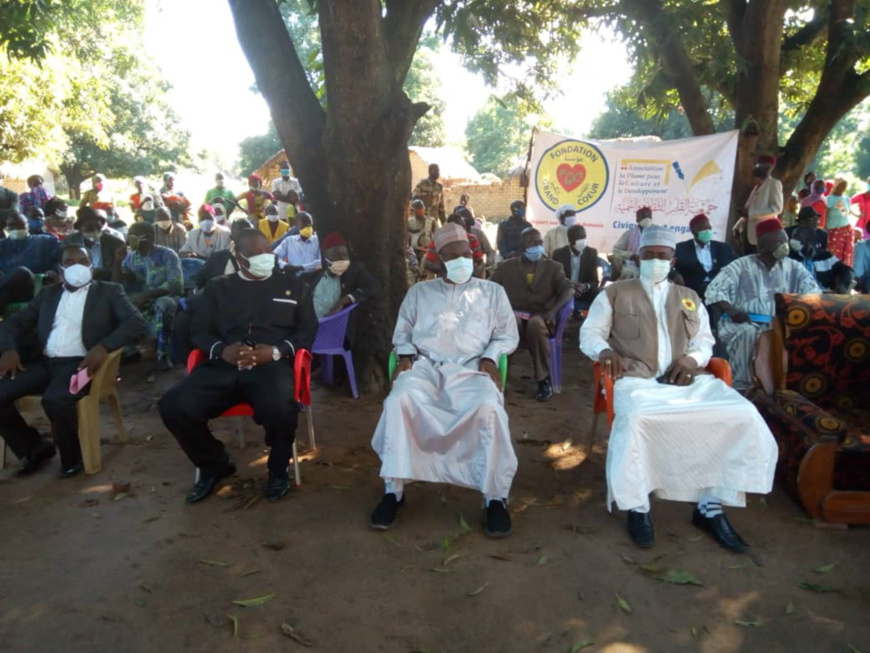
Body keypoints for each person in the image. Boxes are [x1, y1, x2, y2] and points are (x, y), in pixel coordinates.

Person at [579, 226, 778, 553]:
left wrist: (691, 359)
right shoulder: (615, 292)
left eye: (662, 256)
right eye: (649, 255)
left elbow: (704, 340)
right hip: (636, 380)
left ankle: (710, 505)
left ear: (672, 260)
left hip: (685, 380)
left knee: (741, 414)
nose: (655, 261)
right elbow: (591, 333)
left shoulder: (689, 298)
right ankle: (638, 505)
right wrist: (605, 352)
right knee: (638, 420)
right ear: (637, 257)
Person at [370, 223, 519, 536]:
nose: (461, 261)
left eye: (465, 254)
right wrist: (407, 355)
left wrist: (491, 356)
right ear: (437, 260)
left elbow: (507, 334)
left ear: (473, 253)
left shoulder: (493, 292)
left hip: (472, 368)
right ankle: (393, 491)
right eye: (452, 257)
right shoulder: (419, 293)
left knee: (488, 407)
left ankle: (494, 497)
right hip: (425, 367)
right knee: (399, 400)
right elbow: (402, 333)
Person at [158, 229, 317, 504]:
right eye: (255, 254)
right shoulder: (219, 288)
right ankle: (214, 464)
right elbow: (199, 331)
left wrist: (276, 352)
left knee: (281, 409)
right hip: (224, 365)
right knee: (173, 405)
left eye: (267, 251)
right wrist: (222, 351)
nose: (264, 258)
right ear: (239, 258)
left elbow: (307, 331)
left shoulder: (293, 286)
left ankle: (279, 469)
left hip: (271, 365)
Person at [0, 244, 144, 477]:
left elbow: (135, 322)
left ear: (91, 266)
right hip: (44, 362)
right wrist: (8, 349)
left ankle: (71, 457)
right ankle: (34, 448)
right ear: (60, 268)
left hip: (82, 365)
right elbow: (14, 323)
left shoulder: (109, 291)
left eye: (82, 261)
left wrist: (103, 346)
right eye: (69, 262)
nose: (75, 266)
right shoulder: (47, 294)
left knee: (56, 399)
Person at [706, 218, 820, 391]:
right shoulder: (741, 265)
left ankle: (784, 390)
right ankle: (743, 388)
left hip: (780, 324)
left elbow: (813, 294)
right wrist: (732, 311)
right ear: (762, 246)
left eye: (784, 240)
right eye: (778, 241)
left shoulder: (794, 267)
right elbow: (714, 291)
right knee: (749, 335)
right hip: (741, 322)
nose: (784, 245)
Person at [491, 228, 573, 402]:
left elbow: (568, 290)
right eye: (532, 243)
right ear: (522, 246)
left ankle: (543, 380)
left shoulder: (553, 267)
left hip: (542, 317)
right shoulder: (507, 267)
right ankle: (500, 377)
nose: (537, 246)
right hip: (514, 317)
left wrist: (553, 310)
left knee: (536, 324)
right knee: (512, 322)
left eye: (539, 242)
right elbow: (490, 288)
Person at [112, 221, 184, 368]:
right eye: (129, 235)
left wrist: (147, 295)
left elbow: (175, 286)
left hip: (168, 298)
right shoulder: (131, 258)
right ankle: (130, 351)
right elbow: (119, 285)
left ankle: (163, 356)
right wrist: (117, 262)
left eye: (134, 235)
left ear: (150, 237)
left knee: (162, 304)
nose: (130, 238)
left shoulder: (167, 255)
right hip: (142, 300)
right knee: (116, 304)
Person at [304, 232, 379, 339]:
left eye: (344, 255)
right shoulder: (314, 277)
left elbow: (373, 286)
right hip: (308, 328)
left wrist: (346, 299)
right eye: (335, 255)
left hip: (335, 332)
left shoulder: (355, 271)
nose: (341, 258)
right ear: (326, 257)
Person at [0, 214, 61, 312]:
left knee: (21, 272)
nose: (15, 228)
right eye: (11, 226)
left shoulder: (44, 241)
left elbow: (63, 256)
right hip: (7, 291)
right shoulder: (2, 245)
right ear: (6, 228)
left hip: (33, 288)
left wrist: (55, 271)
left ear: (27, 226)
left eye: (19, 225)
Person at [673, 213, 736, 300]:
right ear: (694, 231)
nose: (708, 231)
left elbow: (736, 265)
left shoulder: (723, 248)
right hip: (691, 291)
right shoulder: (680, 248)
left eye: (709, 228)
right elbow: (669, 265)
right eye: (703, 228)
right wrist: (675, 274)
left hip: (718, 290)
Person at [733, 155, 783, 251]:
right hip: (749, 234)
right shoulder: (757, 186)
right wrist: (737, 226)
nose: (756, 167)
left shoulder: (774, 184)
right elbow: (748, 210)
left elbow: (777, 209)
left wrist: (751, 214)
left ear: (768, 167)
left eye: (759, 165)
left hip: (764, 235)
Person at [551, 224, 602, 314]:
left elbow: (594, 281)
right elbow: (555, 279)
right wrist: (571, 286)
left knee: (601, 294)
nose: (583, 240)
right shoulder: (558, 254)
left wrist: (585, 286)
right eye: (579, 237)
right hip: (564, 291)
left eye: (584, 236)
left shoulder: (591, 253)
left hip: (584, 292)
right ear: (570, 240)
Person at [788, 225, 853, 294]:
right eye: (792, 237)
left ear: (809, 239)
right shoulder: (790, 257)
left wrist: (841, 284)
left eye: (796, 236)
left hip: (823, 297)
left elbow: (846, 270)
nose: (792, 240)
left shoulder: (825, 256)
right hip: (799, 297)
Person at [66, 207, 126, 278]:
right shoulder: (70, 241)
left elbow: (120, 272)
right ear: (80, 228)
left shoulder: (115, 243)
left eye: (98, 227)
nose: (95, 231)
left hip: (105, 281)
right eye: (89, 228)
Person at [422, 214, 485, 279]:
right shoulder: (438, 240)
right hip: (445, 277)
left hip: (469, 275)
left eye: (462, 231)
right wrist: (446, 269)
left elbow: (480, 261)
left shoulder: (471, 239)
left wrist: (474, 273)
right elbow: (428, 263)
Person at [612, 206, 653, 279]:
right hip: (633, 265)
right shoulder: (629, 234)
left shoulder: (657, 234)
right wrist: (632, 256)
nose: (647, 219)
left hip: (651, 265)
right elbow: (616, 250)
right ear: (637, 219)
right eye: (644, 216)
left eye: (649, 216)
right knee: (629, 273)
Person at [825, 179, 854, 266]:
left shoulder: (847, 199)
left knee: (845, 253)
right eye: (841, 185)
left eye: (844, 186)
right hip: (834, 229)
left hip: (846, 229)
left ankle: (844, 272)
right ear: (836, 186)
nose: (843, 188)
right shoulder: (830, 198)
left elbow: (846, 213)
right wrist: (825, 227)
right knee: (834, 252)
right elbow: (827, 213)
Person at [850, 175, 870, 239]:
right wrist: (856, 215)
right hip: (861, 227)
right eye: (869, 183)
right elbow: (845, 205)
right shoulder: (860, 196)